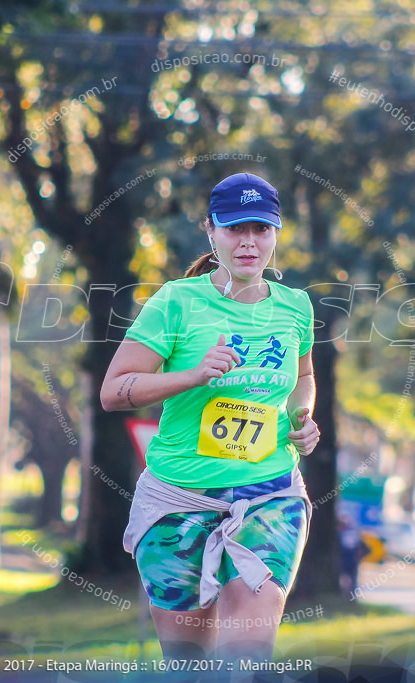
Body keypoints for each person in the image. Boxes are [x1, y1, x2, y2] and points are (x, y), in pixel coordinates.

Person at [102, 172, 320, 663]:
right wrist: (194, 375)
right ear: (211, 231)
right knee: (189, 666)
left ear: (277, 233)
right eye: (234, 229)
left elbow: (303, 374)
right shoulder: (176, 303)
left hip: (269, 493)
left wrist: (303, 417)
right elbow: (114, 392)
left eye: (261, 229)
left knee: (246, 657)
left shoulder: (296, 307)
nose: (248, 242)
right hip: (177, 499)